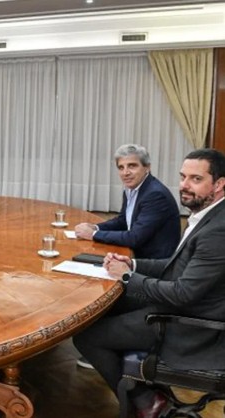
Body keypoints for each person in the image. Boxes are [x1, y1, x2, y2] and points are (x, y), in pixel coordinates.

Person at [73, 148, 225, 418]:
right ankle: (141, 387)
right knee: (108, 303)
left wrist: (128, 277)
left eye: (196, 179)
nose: (184, 185)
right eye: (182, 177)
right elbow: (175, 265)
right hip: (178, 302)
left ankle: (146, 403)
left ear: (219, 184)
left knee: (87, 336)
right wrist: (132, 265)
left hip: (188, 323)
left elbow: (183, 293)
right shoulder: (208, 215)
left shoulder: (218, 230)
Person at [74, 144, 181, 259]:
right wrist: (95, 227)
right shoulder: (131, 189)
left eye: (132, 166)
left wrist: (93, 234)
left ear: (147, 167)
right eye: (121, 168)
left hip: (153, 263)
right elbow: (123, 221)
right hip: (135, 255)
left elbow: (135, 237)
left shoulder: (155, 195)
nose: (125, 173)